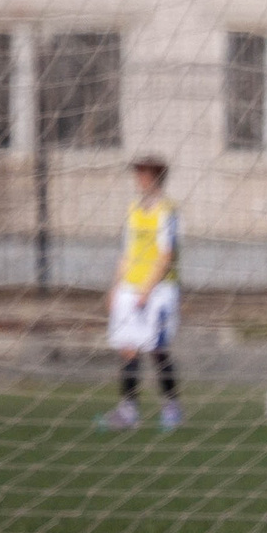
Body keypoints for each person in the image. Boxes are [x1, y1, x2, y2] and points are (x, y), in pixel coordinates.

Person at [100, 156, 181, 433]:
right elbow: (126, 252)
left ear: (156, 177)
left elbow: (166, 254)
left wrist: (147, 288)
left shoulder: (166, 210)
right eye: (137, 174)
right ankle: (128, 411)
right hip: (129, 288)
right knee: (127, 348)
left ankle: (171, 408)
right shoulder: (133, 208)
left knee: (156, 349)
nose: (139, 179)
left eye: (143, 174)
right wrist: (114, 287)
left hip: (158, 290)